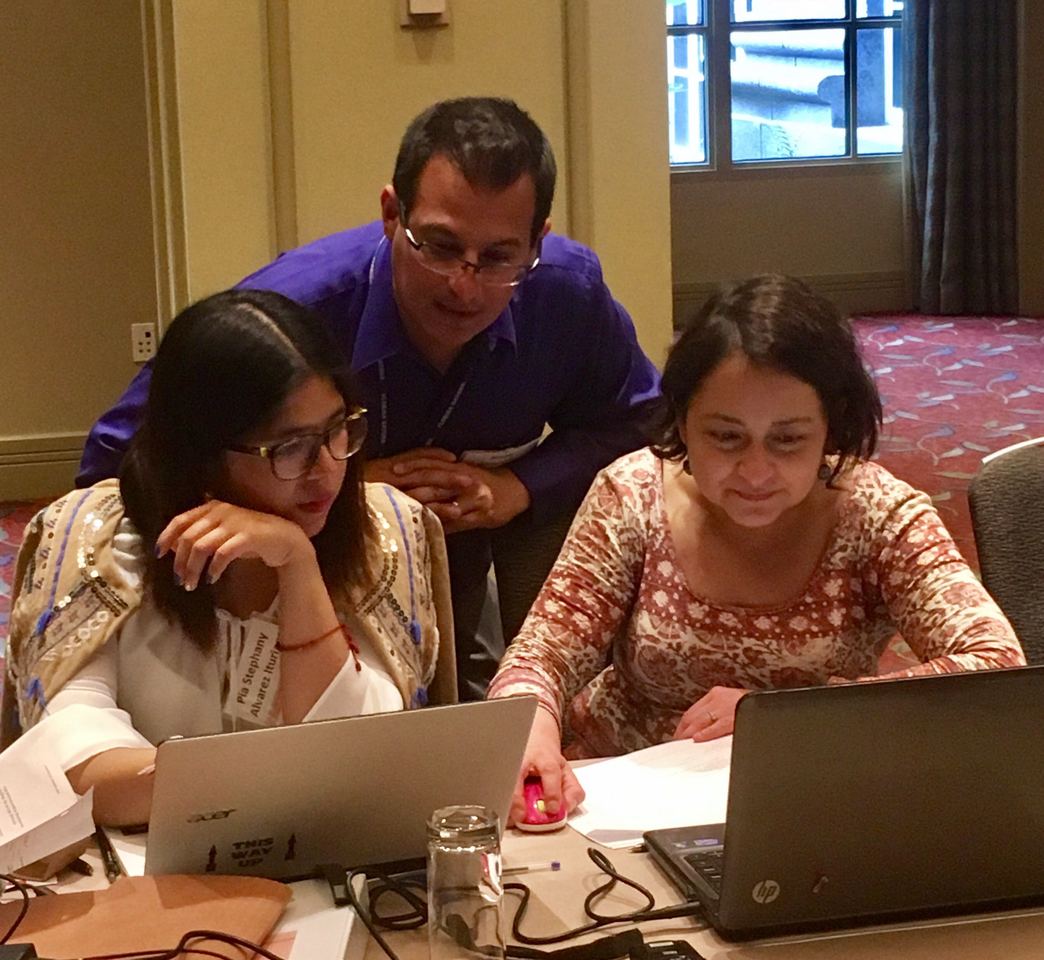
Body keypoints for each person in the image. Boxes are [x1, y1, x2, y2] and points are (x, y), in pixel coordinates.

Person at [76, 97, 661, 701]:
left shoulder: (566, 294)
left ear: (537, 241)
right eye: (437, 245)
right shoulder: (299, 307)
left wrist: (522, 486)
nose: (464, 284)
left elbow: (644, 419)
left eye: (498, 258)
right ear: (390, 213)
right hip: (305, 563)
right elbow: (118, 456)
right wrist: (341, 484)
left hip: (480, 548)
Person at [488, 274, 1025, 824]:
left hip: (809, 802)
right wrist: (529, 732)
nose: (756, 472)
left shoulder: (877, 514)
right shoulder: (632, 495)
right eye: (726, 437)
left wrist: (786, 717)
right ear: (683, 423)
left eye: (788, 440)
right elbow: (539, 658)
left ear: (830, 431)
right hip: (619, 805)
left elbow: (997, 666)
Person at [2, 289, 456, 826]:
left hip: (334, 875)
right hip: (149, 881)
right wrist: (269, 786)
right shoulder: (93, 536)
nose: (327, 466)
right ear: (199, 452)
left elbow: (368, 757)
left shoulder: (383, 529)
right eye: (289, 447)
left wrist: (297, 566)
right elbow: (71, 766)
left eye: (337, 429)